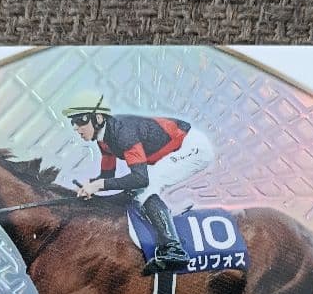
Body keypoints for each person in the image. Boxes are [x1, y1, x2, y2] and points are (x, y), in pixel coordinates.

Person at [63, 91, 215, 274]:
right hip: (174, 150)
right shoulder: (103, 140)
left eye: (80, 120)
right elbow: (107, 175)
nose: (76, 127)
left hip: (193, 147)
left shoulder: (123, 133)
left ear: (98, 118)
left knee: (146, 187)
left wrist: (97, 185)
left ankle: (174, 249)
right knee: (133, 192)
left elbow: (140, 179)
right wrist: (89, 187)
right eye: (73, 122)